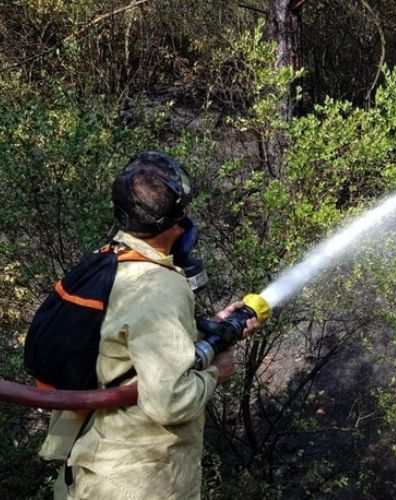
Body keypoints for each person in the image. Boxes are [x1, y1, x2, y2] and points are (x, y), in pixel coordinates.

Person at [37, 152, 259, 499]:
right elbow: (170, 402)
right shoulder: (161, 287)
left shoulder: (112, 259)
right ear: (174, 223)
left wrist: (207, 330)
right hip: (140, 480)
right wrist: (217, 370)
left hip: (97, 466)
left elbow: (131, 345)